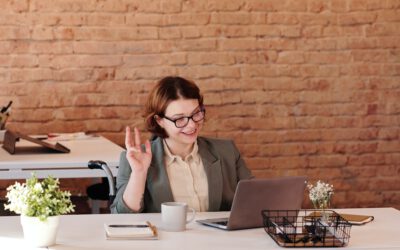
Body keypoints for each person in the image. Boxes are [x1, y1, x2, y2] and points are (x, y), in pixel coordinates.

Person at [111, 76, 253, 213]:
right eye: (179, 119)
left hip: (220, 237)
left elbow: (255, 199)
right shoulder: (135, 158)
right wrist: (139, 173)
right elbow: (122, 215)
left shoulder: (226, 151)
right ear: (160, 120)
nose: (192, 125)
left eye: (196, 114)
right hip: (167, 237)